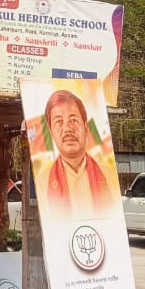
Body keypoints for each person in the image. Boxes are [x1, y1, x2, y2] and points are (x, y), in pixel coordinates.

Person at [38, 89, 117, 219]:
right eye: (59, 122)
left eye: (73, 120)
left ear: (86, 127)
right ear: (51, 132)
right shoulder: (42, 180)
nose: (67, 129)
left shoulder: (108, 175)